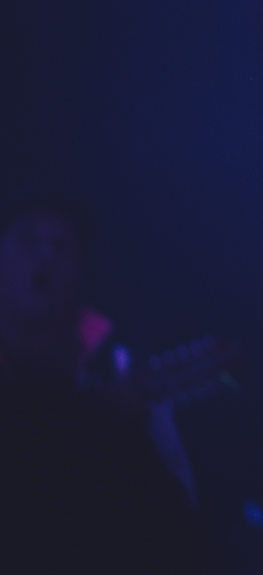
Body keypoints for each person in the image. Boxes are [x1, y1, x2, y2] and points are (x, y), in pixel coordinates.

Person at [0, 195, 210, 573]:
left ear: (79, 271)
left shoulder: (117, 369)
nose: (45, 255)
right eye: (28, 239)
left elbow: (179, 507)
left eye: (62, 246)